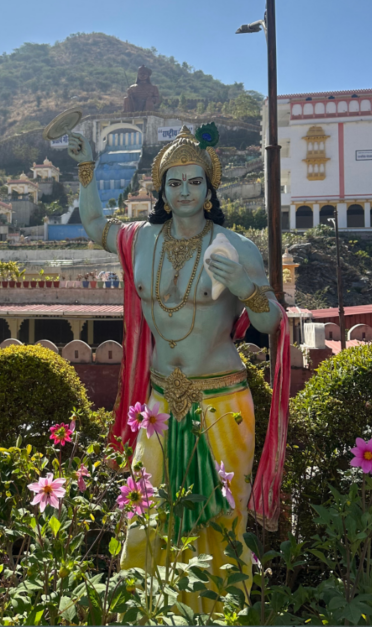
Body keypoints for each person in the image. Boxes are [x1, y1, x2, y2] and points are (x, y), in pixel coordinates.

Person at [68, 125, 290, 612]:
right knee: (144, 516)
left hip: (221, 402)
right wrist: (87, 168)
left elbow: (271, 322)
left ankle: (214, 619)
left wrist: (247, 288)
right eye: (175, 182)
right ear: (161, 190)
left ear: (209, 192)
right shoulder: (140, 240)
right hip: (159, 401)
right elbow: (93, 224)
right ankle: (147, 616)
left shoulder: (235, 247)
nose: (184, 191)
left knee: (219, 521)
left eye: (194, 182)